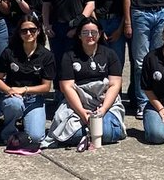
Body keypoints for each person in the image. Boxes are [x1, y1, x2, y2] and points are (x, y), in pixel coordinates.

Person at [51, 17, 126, 150]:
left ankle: (92, 131)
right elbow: (66, 87)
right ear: (79, 35)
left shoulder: (110, 54)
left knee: (107, 133)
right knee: (70, 136)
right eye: (85, 33)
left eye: (93, 32)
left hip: (104, 101)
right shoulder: (69, 56)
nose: (90, 36)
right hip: (78, 101)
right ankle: (86, 131)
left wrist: (103, 109)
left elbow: (115, 84)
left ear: (100, 34)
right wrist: (81, 112)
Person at [0, 19, 56, 153]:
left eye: (32, 30)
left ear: (38, 31)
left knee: (36, 137)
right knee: (14, 105)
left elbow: (46, 87)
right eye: (24, 30)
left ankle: (16, 122)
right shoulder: (9, 52)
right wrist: (9, 90)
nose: (28, 33)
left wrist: (24, 90)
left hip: (34, 98)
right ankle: (8, 132)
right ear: (19, 33)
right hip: (12, 97)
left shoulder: (46, 55)